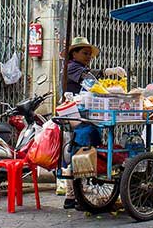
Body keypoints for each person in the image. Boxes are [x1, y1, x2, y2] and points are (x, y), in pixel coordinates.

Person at [62, 36, 100, 210]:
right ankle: (75, 196)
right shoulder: (73, 68)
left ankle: (72, 196)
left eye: (89, 54)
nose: (88, 57)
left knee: (79, 152)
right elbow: (90, 81)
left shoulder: (80, 67)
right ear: (74, 54)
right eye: (85, 53)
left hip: (80, 114)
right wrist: (105, 73)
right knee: (79, 151)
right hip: (74, 116)